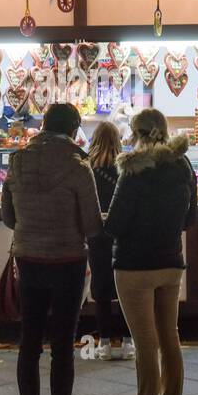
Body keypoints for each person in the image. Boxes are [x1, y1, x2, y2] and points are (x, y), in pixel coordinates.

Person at [1, 103, 102, 395]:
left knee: (29, 340)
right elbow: (92, 225)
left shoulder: (18, 160)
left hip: (28, 259)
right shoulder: (78, 164)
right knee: (62, 343)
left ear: (43, 125)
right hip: (68, 261)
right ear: (74, 130)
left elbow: (7, 217)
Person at [104, 108, 197, 395]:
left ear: (136, 133)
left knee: (146, 346)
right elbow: (190, 218)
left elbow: (114, 224)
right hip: (171, 263)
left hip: (134, 267)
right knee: (170, 340)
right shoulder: (183, 166)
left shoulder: (132, 170)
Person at [85, 123, 132, 360]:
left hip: (97, 233)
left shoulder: (88, 167)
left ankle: (104, 343)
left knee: (101, 289)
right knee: (124, 287)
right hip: (123, 232)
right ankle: (127, 342)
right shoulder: (125, 166)